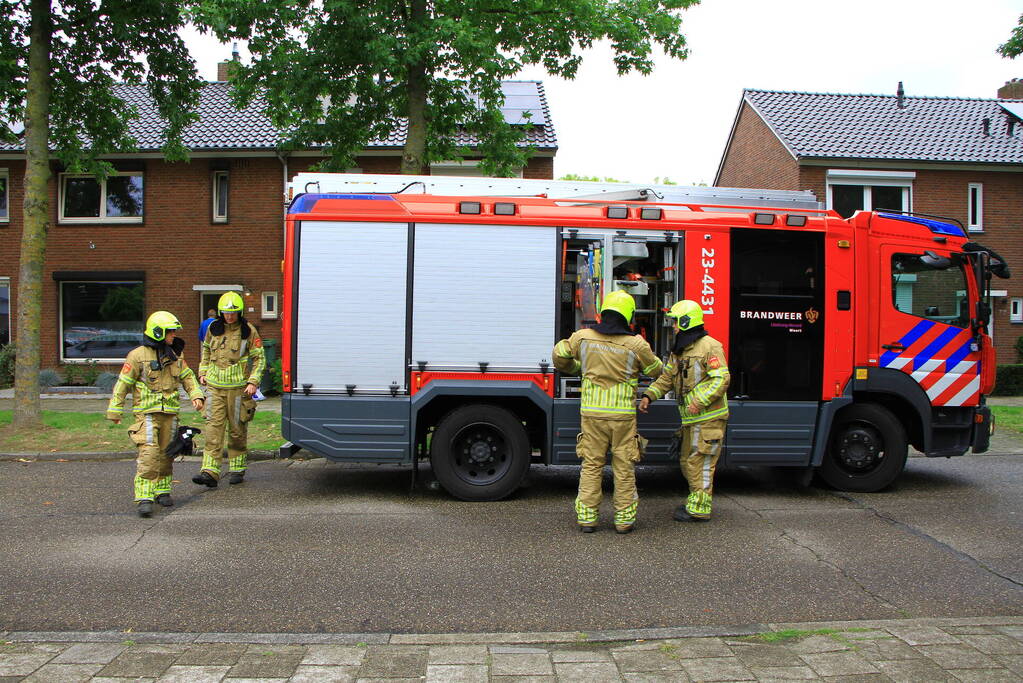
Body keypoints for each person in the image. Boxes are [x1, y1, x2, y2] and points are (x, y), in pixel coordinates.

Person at [553, 290, 663, 534]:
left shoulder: (583, 338)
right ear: (628, 316)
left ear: (603, 312)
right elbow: (657, 370)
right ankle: (623, 520)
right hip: (622, 416)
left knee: (592, 465)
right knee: (624, 467)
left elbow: (559, 355)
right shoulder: (636, 344)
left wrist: (577, 368)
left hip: (592, 414)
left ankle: (587, 519)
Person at [106, 311, 205, 518]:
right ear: (158, 332)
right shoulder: (137, 356)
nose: (173, 336)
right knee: (149, 455)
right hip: (147, 414)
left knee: (167, 453)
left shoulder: (175, 354)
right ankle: (144, 496)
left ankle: (162, 490)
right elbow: (123, 383)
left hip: (171, 413)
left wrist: (197, 395)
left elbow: (187, 377)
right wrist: (115, 409)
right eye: (170, 332)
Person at [639, 300, 730, 522]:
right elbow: (667, 377)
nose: (673, 326)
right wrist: (649, 395)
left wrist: (698, 401)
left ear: (687, 321)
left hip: (708, 419)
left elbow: (721, 379)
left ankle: (699, 509)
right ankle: (696, 501)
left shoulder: (710, 346)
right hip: (692, 420)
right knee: (687, 461)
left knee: (701, 463)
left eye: (676, 322)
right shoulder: (680, 350)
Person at [193, 291, 266, 488]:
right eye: (226, 313)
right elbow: (206, 350)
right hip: (215, 388)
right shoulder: (213, 328)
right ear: (220, 312)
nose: (229, 316)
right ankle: (209, 472)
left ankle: (237, 468)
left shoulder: (248, 331)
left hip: (238, 390)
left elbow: (259, 358)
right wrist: (203, 371)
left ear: (240, 312)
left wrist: (253, 381)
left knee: (237, 431)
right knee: (213, 429)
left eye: (233, 313)